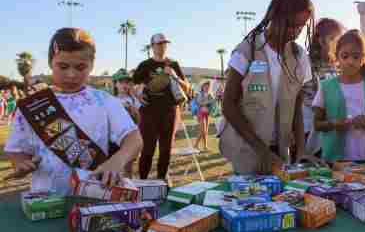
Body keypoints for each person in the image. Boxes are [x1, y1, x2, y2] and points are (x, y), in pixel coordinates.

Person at [4, 28, 143, 194]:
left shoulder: (105, 101)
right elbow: (16, 150)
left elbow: (134, 139)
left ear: (92, 65)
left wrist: (116, 161)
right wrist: (21, 163)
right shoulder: (33, 105)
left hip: (93, 197)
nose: (71, 74)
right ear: (50, 63)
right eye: (63, 67)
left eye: (80, 67)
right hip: (47, 199)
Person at [219, 0, 320, 174]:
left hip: (280, 151)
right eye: (291, 25)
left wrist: (301, 149)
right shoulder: (247, 50)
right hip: (247, 147)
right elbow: (228, 105)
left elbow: (296, 107)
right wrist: (260, 149)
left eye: (301, 26)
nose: (295, 32)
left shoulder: (299, 57)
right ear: (275, 16)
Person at [312, 30, 365, 162]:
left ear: (363, 58)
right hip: (335, 161)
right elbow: (317, 124)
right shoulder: (325, 87)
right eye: (345, 56)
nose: (350, 61)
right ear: (336, 57)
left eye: (356, 57)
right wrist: (333, 123)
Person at [133, 33, 190, 180]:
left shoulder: (173, 64)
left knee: (166, 151)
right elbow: (132, 85)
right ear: (152, 46)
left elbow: (187, 88)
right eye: (159, 44)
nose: (162, 46)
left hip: (169, 111)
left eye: (164, 43)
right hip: (148, 112)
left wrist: (174, 76)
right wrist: (137, 93)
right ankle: (143, 182)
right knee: (147, 150)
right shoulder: (145, 65)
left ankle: (161, 181)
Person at [303, 18, 345, 157]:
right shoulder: (306, 64)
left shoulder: (338, 66)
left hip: (334, 131)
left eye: (339, 40)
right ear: (321, 41)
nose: (337, 44)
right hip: (310, 132)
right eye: (333, 39)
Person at [193, 80, 216, 151]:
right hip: (200, 113)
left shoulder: (210, 94)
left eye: (208, 86)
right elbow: (198, 102)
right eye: (205, 86)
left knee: (206, 131)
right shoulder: (199, 94)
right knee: (202, 130)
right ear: (202, 87)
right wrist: (207, 102)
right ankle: (195, 145)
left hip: (207, 114)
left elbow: (213, 104)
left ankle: (205, 146)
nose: (207, 87)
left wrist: (211, 103)